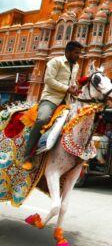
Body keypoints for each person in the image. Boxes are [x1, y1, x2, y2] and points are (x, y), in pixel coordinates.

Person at [22, 41, 84, 170]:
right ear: (68, 51)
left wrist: (75, 90)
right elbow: (48, 80)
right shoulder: (55, 62)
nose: (78, 55)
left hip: (67, 101)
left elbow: (72, 83)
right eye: (76, 53)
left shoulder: (76, 66)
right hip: (51, 99)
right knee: (42, 119)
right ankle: (27, 156)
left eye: (79, 53)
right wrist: (67, 89)